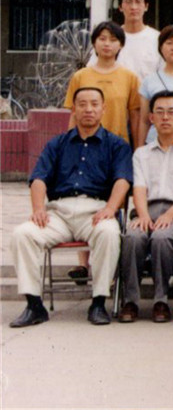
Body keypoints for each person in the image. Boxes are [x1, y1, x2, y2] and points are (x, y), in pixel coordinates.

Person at [10, 87, 132, 328]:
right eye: (82, 104)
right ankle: (34, 305)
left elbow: (123, 180)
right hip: (59, 212)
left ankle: (98, 303)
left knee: (109, 232)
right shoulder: (57, 144)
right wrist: (38, 209)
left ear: (103, 108)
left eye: (94, 104)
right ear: (73, 109)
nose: (89, 109)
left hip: (96, 211)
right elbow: (38, 179)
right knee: (22, 234)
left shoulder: (116, 145)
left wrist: (111, 208)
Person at [117, 90, 173, 323]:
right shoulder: (141, 154)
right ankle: (131, 301)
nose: (165, 117)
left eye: (171, 112)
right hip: (146, 209)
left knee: (161, 237)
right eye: (159, 112)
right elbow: (139, 188)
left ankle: (161, 300)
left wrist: (170, 215)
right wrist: (143, 215)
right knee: (133, 237)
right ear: (151, 118)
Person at [67, 20, 144, 145]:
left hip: (118, 146)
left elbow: (135, 117)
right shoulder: (79, 76)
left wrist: (137, 149)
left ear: (121, 45)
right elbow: (74, 115)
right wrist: (69, 146)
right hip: (85, 144)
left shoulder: (130, 78)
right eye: (102, 39)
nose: (107, 44)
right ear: (94, 43)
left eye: (113, 40)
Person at [90, 0, 161, 80]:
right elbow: (92, 70)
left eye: (138, 2)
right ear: (120, 7)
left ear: (146, 6)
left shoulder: (157, 39)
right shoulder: (109, 39)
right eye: (128, 2)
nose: (133, 7)